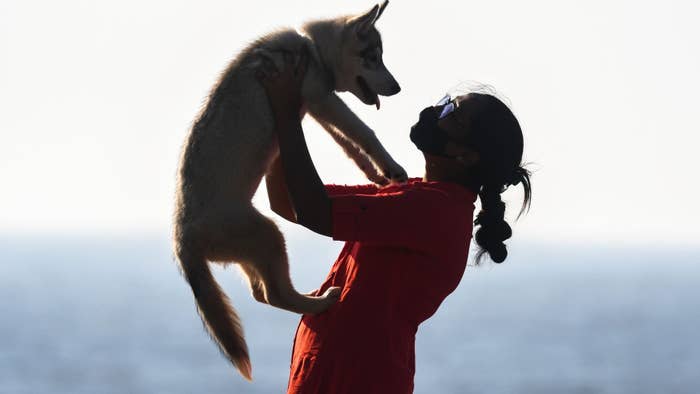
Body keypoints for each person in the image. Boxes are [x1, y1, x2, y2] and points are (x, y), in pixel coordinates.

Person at [257, 53, 531, 394]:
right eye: (445, 101)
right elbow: (286, 201)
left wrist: (285, 111)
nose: (436, 110)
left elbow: (310, 209)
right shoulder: (416, 196)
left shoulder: (433, 211)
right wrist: (276, 117)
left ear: (466, 155)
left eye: (451, 114)